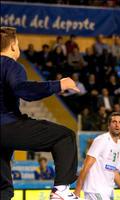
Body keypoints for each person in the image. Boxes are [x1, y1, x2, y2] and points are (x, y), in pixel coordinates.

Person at [0, 27, 80, 200]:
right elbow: (23, 90)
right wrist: (58, 85)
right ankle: (61, 190)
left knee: (3, 190)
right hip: (7, 126)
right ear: (13, 46)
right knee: (65, 137)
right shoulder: (10, 65)